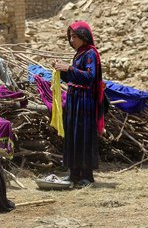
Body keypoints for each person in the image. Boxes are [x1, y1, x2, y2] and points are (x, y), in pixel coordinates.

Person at [53, 21, 105, 187]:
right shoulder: (79, 54)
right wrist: (61, 71)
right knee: (73, 136)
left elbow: (90, 77)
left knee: (83, 136)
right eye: (70, 37)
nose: (72, 40)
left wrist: (68, 68)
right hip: (74, 100)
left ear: (84, 36)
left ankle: (87, 176)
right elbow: (73, 78)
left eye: (75, 36)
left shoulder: (90, 53)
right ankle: (74, 174)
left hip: (84, 102)